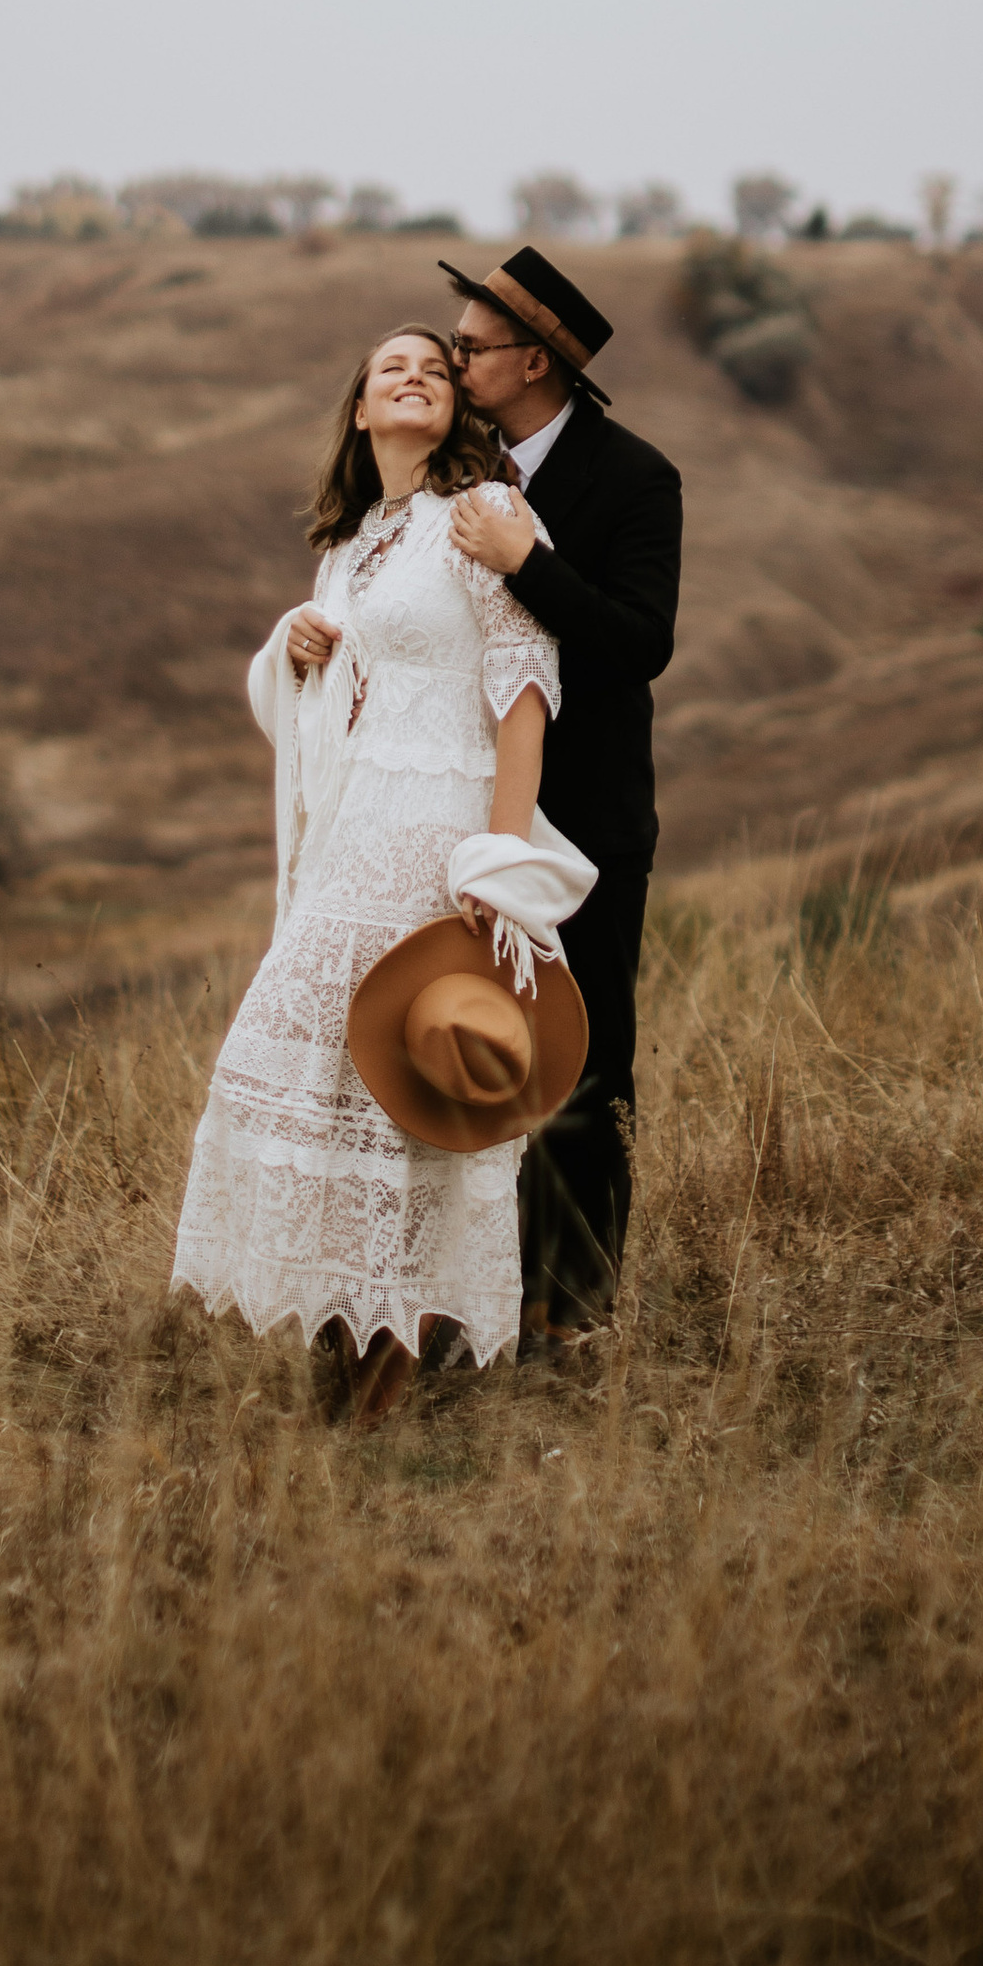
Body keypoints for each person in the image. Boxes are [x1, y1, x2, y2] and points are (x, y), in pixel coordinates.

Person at [169, 325, 572, 1423]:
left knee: (407, 1083)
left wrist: (495, 862)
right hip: (353, 834)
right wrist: (292, 646)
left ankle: (385, 1369)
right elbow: (332, 702)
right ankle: (347, 1329)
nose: (413, 377)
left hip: (439, 831)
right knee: (316, 1066)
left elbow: (521, 692)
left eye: (435, 370)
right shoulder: (349, 548)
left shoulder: (480, 520)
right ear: (358, 411)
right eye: (390, 368)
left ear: (456, 408)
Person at [438, 245, 682, 1346]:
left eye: (472, 347)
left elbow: (640, 644)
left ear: (533, 360)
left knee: (583, 1053)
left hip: (586, 818)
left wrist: (524, 561)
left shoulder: (637, 478)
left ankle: (574, 1308)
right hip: (459, 813)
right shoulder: (455, 467)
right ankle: (470, 1293)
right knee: (465, 1049)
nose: (454, 360)